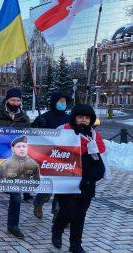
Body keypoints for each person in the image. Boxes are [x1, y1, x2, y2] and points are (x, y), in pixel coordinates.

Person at [52, 104, 106, 253]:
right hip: (66, 180)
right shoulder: (63, 132)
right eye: (80, 117)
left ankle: (75, 244)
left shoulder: (94, 136)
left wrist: (90, 178)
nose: (83, 120)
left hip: (86, 182)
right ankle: (57, 229)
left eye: (87, 118)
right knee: (69, 210)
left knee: (80, 215)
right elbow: (50, 151)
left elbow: (100, 160)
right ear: (74, 118)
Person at [0, 88, 30, 238]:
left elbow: (29, 137)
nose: (15, 103)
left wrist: (38, 129)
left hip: (15, 159)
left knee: (16, 193)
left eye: (18, 101)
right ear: (7, 100)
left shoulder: (24, 117)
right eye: (13, 100)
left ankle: (13, 225)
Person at [31, 92, 70, 219]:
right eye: (60, 101)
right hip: (47, 156)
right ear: (54, 102)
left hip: (64, 156)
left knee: (61, 188)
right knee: (48, 186)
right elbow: (31, 134)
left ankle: (58, 214)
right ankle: (38, 203)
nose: (62, 104)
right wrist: (38, 125)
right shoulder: (45, 117)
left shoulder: (69, 118)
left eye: (64, 101)